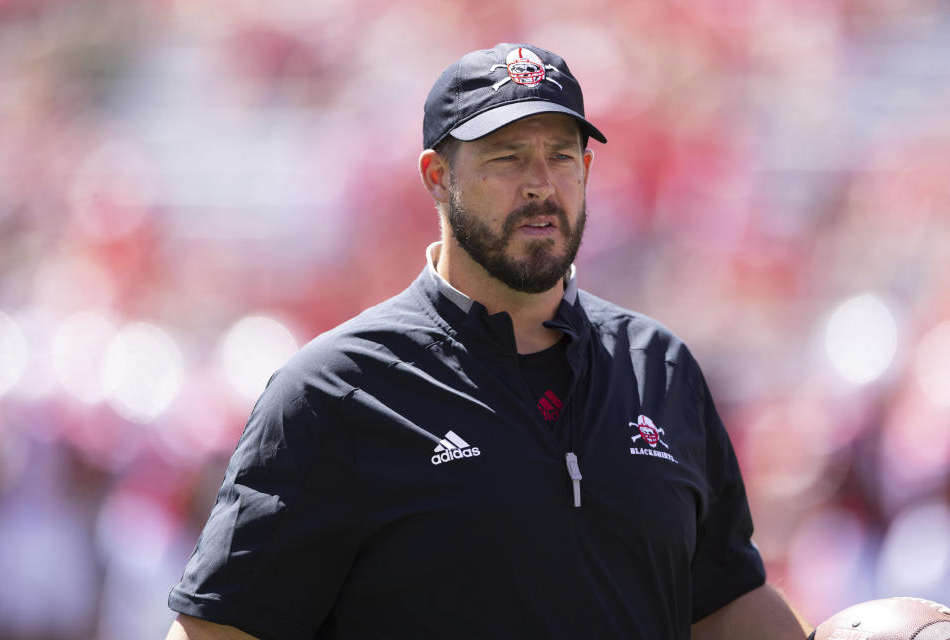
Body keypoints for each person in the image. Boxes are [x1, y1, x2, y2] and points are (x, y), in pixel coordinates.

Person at [166, 43, 811, 639]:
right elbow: (218, 631)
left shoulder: (661, 368)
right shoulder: (334, 390)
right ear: (437, 177)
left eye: (560, 156)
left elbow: (725, 603)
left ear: (586, 170)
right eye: (507, 157)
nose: (539, 183)